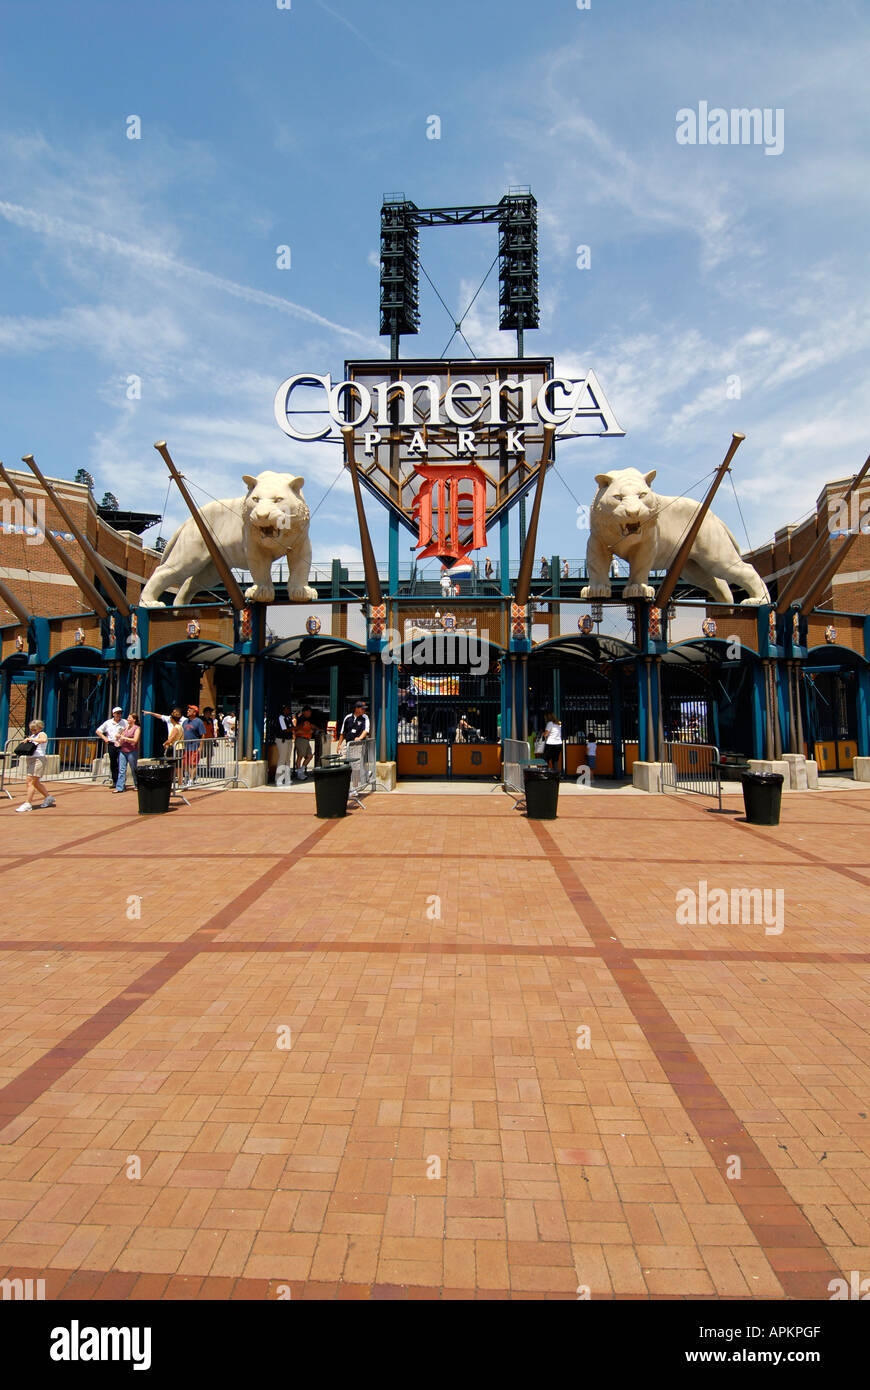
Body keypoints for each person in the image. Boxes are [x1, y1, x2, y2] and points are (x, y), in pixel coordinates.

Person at [15, 719, 55, 811]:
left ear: (40, 728)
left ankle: (27, 803)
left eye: (34, 729)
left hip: (38, 759)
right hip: (31, 759)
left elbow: (44, 740)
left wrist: (31, 739)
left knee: (30, 782)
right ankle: (48, 797)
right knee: (36, 783)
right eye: (31, 729)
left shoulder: (42, 734)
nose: (33, 731)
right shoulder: (33, 735)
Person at [96, 706, 127, 788]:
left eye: (120, 713)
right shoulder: (108, 723)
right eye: (117, 713)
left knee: (122, 763)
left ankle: (122, 782)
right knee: (113, 763)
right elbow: (98, 731)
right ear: (113, 714)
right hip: (112, 744)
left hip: (121, 745)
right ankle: (115, 781)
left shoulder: (125, 722)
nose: (119, 715)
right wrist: (105, 738)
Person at [114, 712, 141, 793]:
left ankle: (137, 784)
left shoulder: (137, 728)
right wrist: (119, 739)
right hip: (123, 750)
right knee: (121, 769)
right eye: (128, 718)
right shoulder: (126, 728)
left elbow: (135, 740)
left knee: (133, 768)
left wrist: (124, 738)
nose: (128, 719)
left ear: (134, 719)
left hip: (132, 751)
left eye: (129, 718)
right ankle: (120, 787)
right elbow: (122, 737)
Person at [181, 705, 206, 788]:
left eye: (190, 710)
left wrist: (200, 747)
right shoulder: (185, 722)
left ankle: (191, 780)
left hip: (194, 746)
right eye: (188, 709)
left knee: (193, 764)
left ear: (194, 712)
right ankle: (189, 776)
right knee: (185, 763)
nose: (188, 711)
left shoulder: (199, 722)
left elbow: (202, 735)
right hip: (186, 747)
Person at [293, 705, 315, 780]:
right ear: (305, 712)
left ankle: (301, 770)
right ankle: (299, 772)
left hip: (306, 739)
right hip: (301, 739)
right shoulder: (300, 719)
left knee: (310, 756)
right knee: (300, 756)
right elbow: (297, 730)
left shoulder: (307, 720)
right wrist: (308, 731)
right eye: (309, 712)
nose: (310, 713)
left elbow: (312, 726)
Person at [275, 705, 293, 779]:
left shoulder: (288, 718)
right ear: (283, 710)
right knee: (282, 759)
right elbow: (285, 729)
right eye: (286, 709)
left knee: (288, 759)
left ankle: (287, 776)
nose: (288, 711)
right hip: (282, 740)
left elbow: (291, 727)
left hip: (289, 739)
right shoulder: (281, 718)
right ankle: (278, 777)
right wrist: (296, 728)